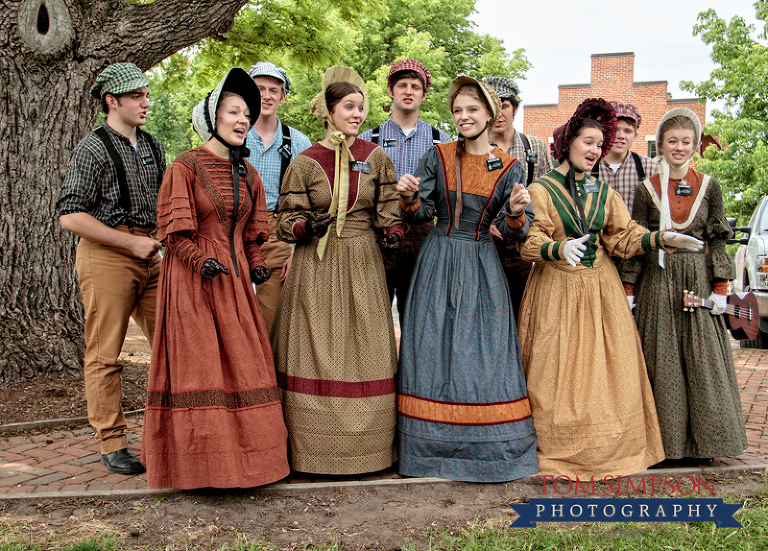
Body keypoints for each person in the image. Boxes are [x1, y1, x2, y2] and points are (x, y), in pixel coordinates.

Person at [517, 98, 704, 478]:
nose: (594, 150)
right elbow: (528, 241)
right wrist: (558, 247)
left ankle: (609, 449)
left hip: (601, 289)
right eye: (588, 142)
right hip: (556, 288)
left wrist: (661, 238)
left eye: (599, 145)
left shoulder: (604, 193)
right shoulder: (541, 190)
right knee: (552, 370)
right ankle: (556, 448)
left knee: (608, 370)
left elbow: (623, 236)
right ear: (568, 142)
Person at [141, 68, 290, 489]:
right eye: (234, 112)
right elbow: (174, 233)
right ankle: (199, 468)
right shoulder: (184, 166)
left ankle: (250, 465)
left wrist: (257, 262)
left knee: (244, 362)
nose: (243, 120)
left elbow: (250, 233)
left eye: (247, 114)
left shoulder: (249, 174)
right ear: (214, 117)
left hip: (237, 283)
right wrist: (198, 259)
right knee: (201, 366)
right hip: (192, 284)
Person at [395, 76, 537, 482]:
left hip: (481, 262)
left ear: (491, 114)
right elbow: (421, 214)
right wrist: (409, 197)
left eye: (472, 109)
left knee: (485, 351)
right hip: (437, 260)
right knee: (432, 346)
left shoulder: (511, 166)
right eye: (458, 110)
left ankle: (492, 452)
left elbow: (515, 231)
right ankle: (428, 451)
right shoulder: (437, 155)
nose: (463, 117)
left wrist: (513, 210)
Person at [271, 66, 403, 475]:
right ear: (329, 111)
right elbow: (283, 218)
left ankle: (369, 450)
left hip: (363, 261)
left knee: (366, 345)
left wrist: (393, 233)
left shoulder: (375, 157)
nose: (357, 114)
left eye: (361, 108)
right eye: (349, 106)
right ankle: (312, 451)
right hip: (317, 263)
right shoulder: (306, 162)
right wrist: (305, 227)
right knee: (315, 345)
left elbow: (388, 209)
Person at [620, 108, 748, 463]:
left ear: (696, 146)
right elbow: (638, 240)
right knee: (661, 359)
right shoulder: (647, 190)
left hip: (697, 279)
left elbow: (720, 239)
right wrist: (630, 290)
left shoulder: (710, 186)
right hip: (658, 281)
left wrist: (720, 287)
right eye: (672, 140)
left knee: (701, 358)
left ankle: (706, 444)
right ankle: (666, 447)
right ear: (660, 144)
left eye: (686, 141)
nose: (679, 147)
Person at [57, 62, 165, 476]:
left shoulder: (153, 146)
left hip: (152, 252)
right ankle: (112, 442)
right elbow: (70, 216)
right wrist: (130, 242)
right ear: (112, 100)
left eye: (146, 94)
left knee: (172, 346)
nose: (145, 102)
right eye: (137, 96)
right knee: (105, 353)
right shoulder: (91, 149)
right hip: (107, 253)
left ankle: (166, 431)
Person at [359, 59, 451, 324]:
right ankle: (378, 366)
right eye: (402, 85)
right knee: (372, 314)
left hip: (422, 234)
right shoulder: (369, 139)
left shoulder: (441, 141)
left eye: (415, 86)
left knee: (419, 316)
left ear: (424, 93)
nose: (408, 91)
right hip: (379, 234)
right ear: (391, 90)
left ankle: (412, 366)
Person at [245, 62, 312, 332]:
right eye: (259, 88)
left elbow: (310, 203)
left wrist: (297, 250)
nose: (267, 95)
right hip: (232, 232)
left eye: (274, 90)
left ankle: (266, 375)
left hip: (277, 235)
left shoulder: (298, 143)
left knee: (269, 321)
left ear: (283, 97)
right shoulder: (232, 134)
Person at [483, 76, 553, 319]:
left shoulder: (535, 147)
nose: (499, 112)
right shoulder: (468, 148)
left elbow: (547, 196)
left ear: (514, 108)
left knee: (524, 315)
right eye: (492, 106)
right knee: (486, 316)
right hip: (484, 246)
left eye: (504, 104)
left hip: (523, 247)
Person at [593, 102, 657, 213]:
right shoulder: (587, 169)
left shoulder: (650, 169)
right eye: (615, 129)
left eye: (627, 131)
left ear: (635, 135)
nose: (621, 136)